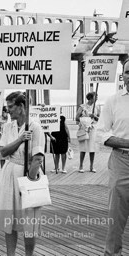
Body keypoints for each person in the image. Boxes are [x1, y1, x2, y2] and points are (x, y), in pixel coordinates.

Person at [0, 91, 45, 256]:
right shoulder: (8, 126)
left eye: (11, 107)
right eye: (7, 107)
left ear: (21, 106)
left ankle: (29, 254)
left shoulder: (35, 127)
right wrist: (20, 140)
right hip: (9, 174)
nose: (8, 111)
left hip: (28, 175)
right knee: (9, 218)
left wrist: (28, 184)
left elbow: (38, 158)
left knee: (29, 221)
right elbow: (1, 153)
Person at [97, 59, 129, 256]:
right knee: (116, 215)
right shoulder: (113, 100)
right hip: (121, 161)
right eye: (128, 72)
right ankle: (112, 253)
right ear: (123, 75)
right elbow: (101, 134)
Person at [75, 92, 100, 173]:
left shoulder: (97, 107)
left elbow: (100, 119)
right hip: (85, 129)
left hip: (93, 129)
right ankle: (81, 165)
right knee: (83, 147)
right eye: (95, 97)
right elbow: (77, 117)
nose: (96, 98)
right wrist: (87, 117)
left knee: (92, 147)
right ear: (90, 98)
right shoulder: (82, 107)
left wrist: (95, 117)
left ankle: (91, 166)